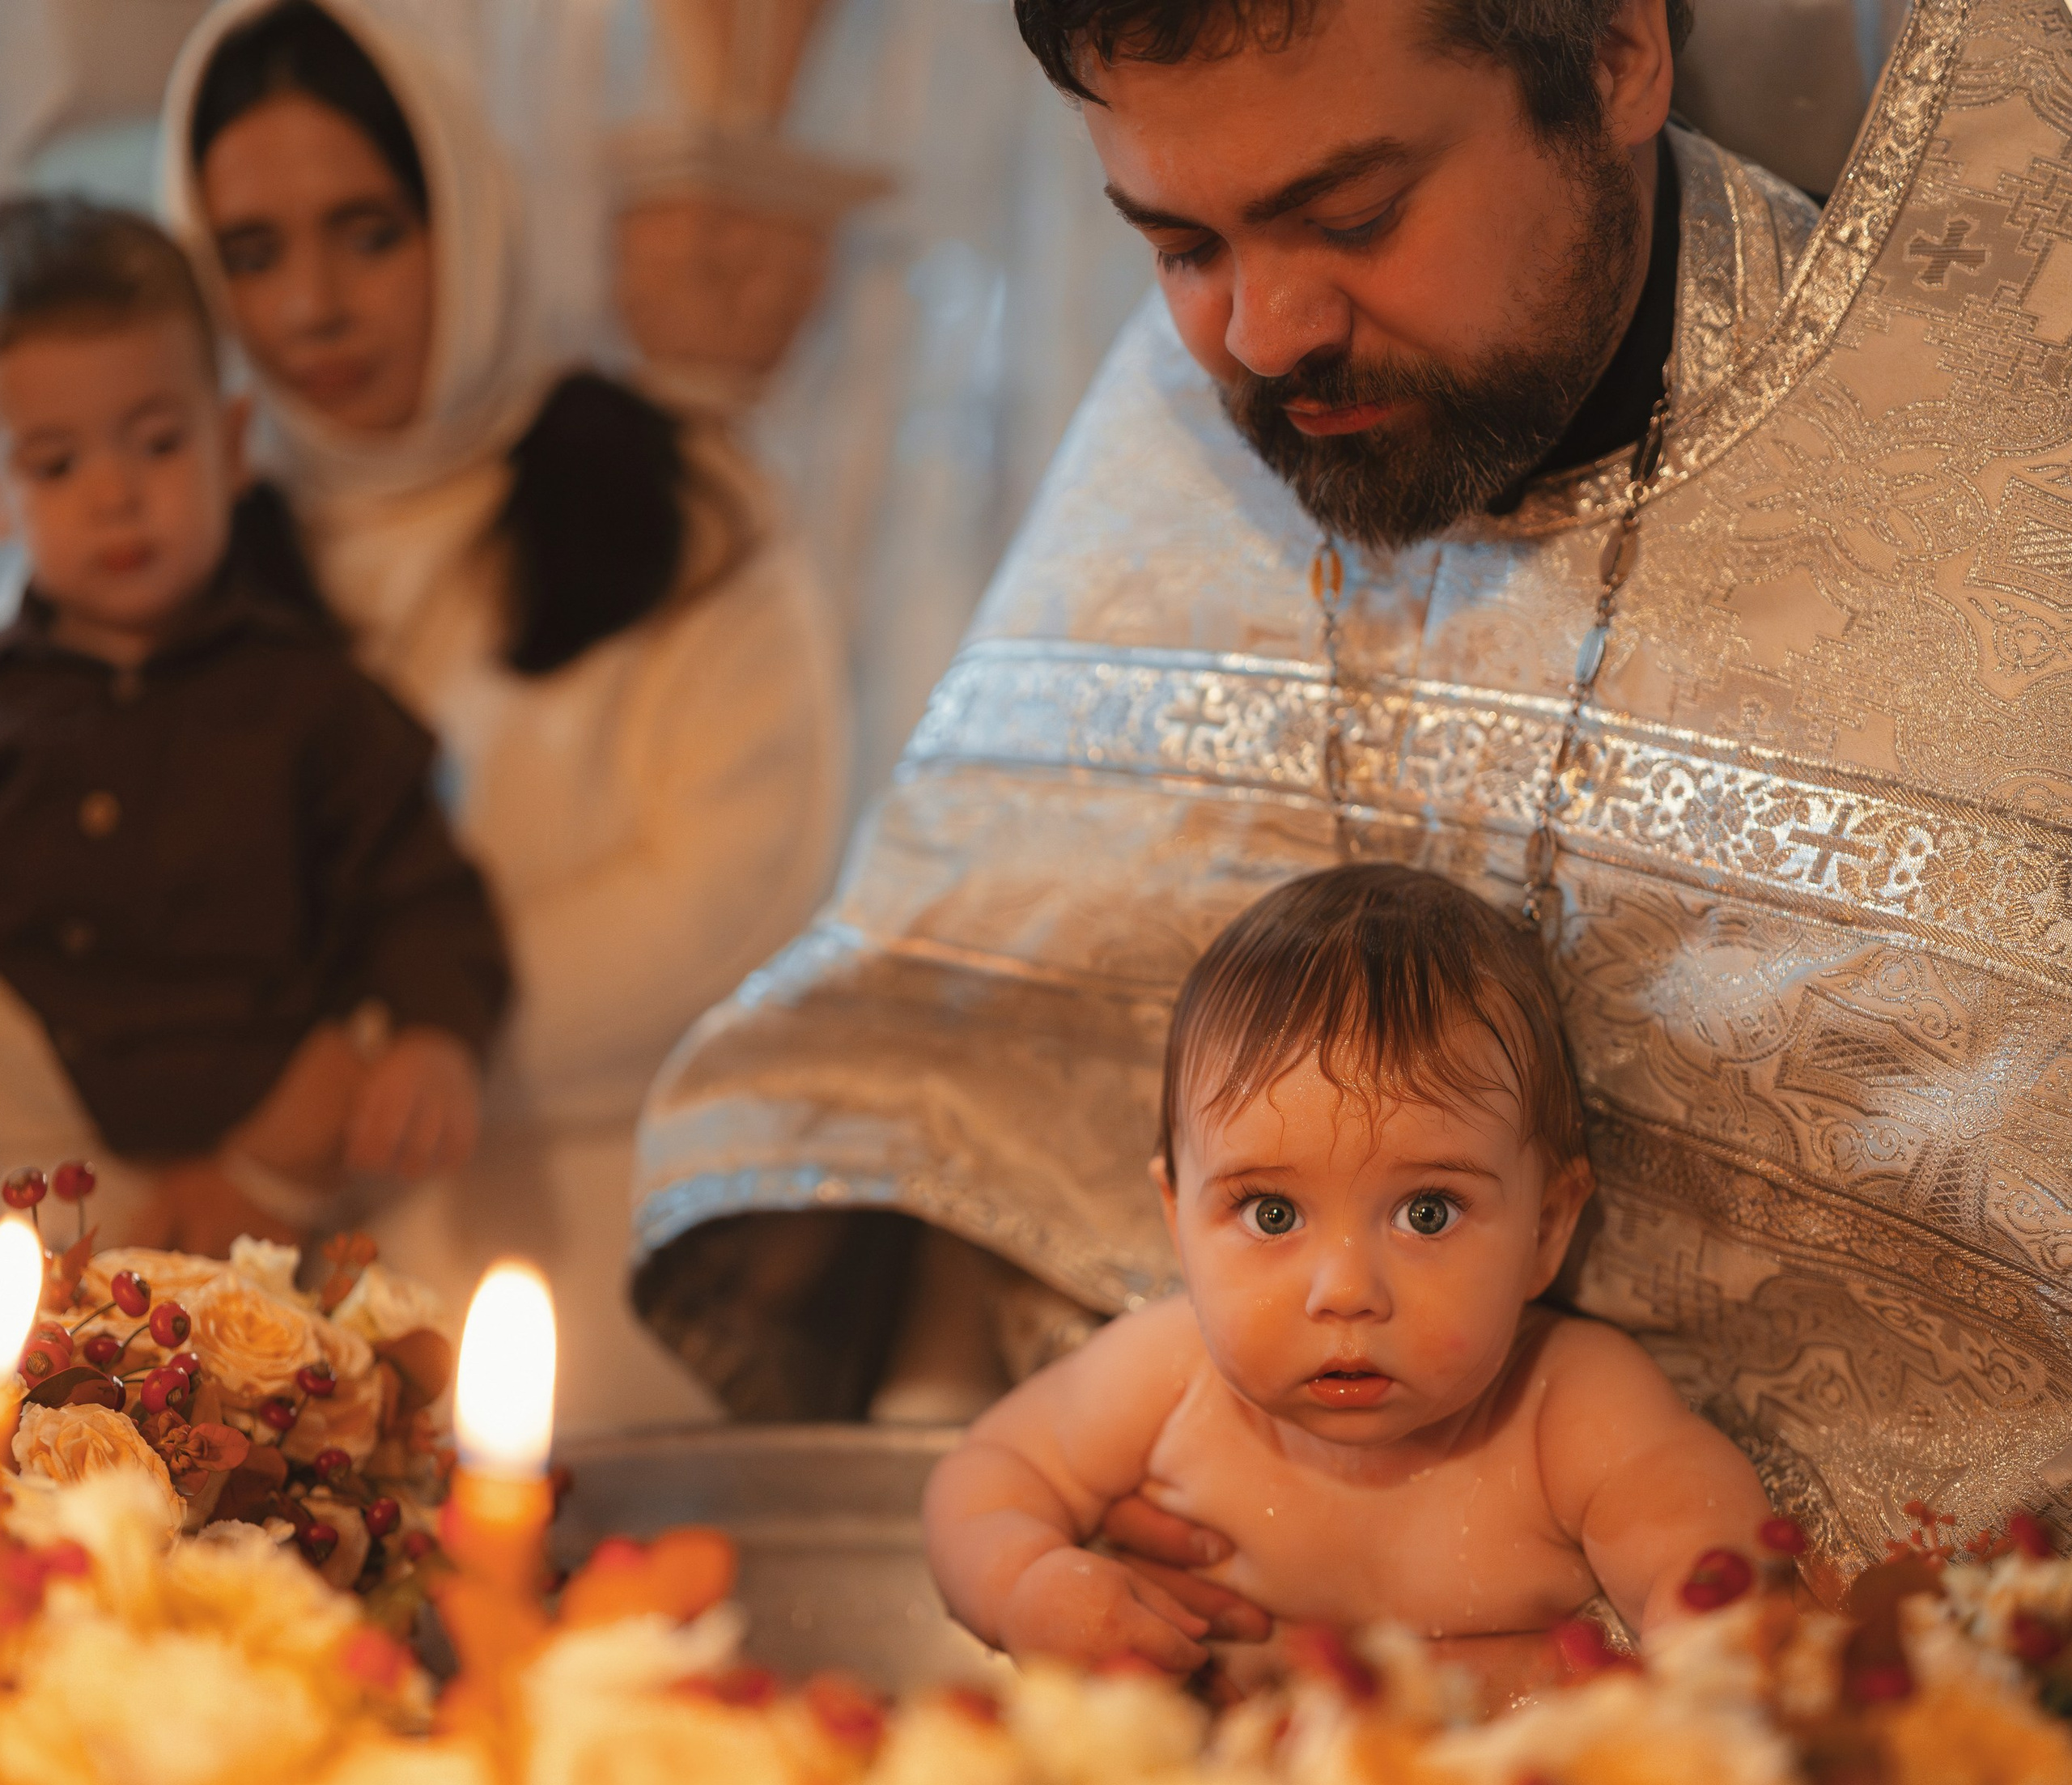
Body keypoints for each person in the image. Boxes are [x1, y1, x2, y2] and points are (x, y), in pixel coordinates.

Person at [633, 0, 2072, 1586]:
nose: (1259, 333)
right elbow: (956, 1172)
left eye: (1353, 217)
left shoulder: (1992, 481)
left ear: (1611, 55)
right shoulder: (1188, 431)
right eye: (1179, 245)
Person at [136, 0, 848, 1432]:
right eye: (252, 255)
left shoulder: (670, 502)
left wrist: (373, 1050)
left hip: (614, 1290)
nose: (312, 308)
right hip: (270, 1324)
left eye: (371, 231)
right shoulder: (189, 566)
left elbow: (735, 877)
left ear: (469, 207)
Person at [926, 865, 1771, 1672]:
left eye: (1426, 1213)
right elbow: (987, 1478)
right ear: (1175, 1216)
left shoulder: (1566, 1404)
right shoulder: (1162, 1375)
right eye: (1272, 1214)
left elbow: (1704, 1546)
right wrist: (1024, 1585)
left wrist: (1706, 1638)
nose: (1345, 1293)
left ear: (1546, 1228)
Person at [0, 194, 509, 1254]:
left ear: (232, 444)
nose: (117, 496)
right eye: (57, 465)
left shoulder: (313, 699)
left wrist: (433, 1040)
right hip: (44, 1183)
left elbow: (422, 896)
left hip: (279, 1184)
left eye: (156, 442)